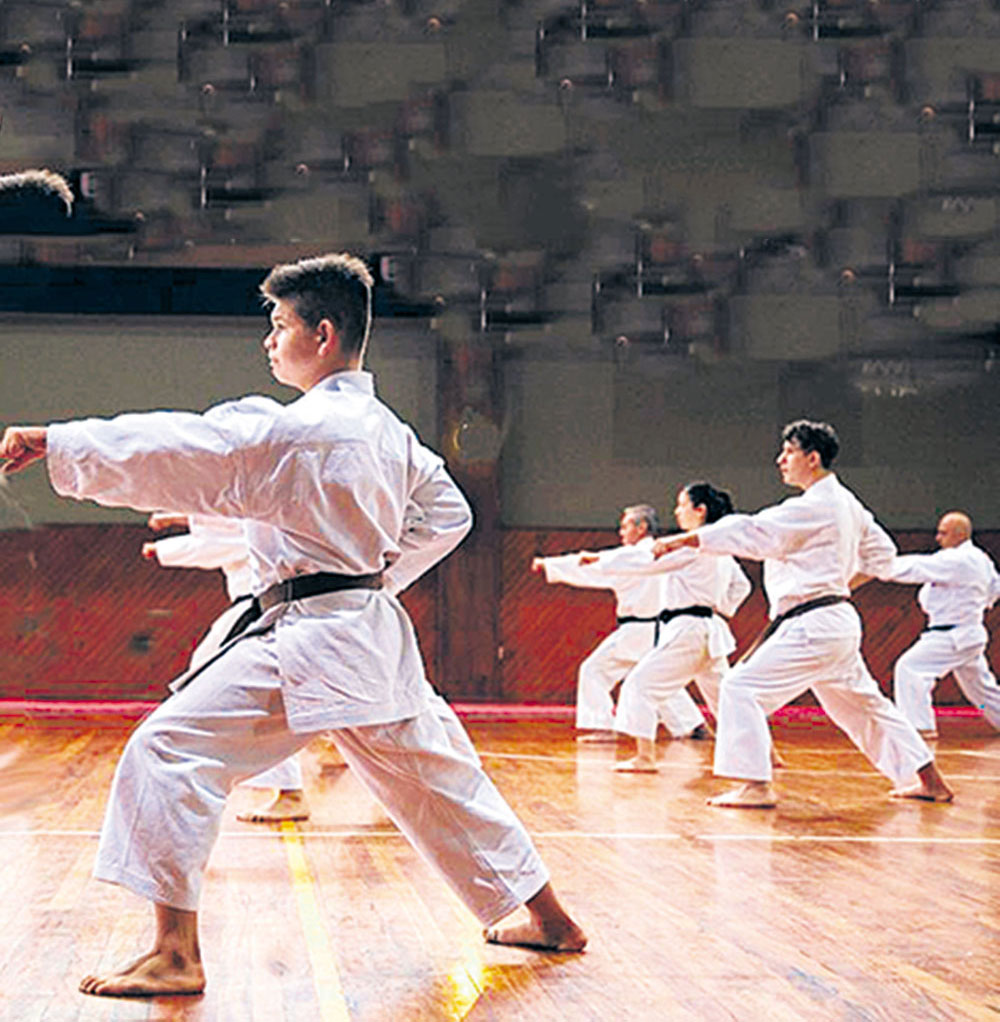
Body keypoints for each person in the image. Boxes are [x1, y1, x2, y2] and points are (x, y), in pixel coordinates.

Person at [0, 252, 585, 998]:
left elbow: (190, 446)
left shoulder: (303, 428)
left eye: (279, 326)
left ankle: (174, 952)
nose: (270, 341)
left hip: (314, 638)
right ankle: (550, 919)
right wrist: (374, 578)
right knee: (440, 779)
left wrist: (62, 442)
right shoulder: (388, 432)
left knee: (167, 751)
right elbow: (450, 515)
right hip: (369, 633)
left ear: (323, 334)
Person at [652, 419, 953, 808]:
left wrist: (686, 539)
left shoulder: (815, 505)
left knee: (740, 687)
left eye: (789, 451)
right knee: (866, 706)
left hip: (813, 624)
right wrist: (837, 586)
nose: (781, 459)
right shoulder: (849, 504)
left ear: (812, 458)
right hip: (834, 620)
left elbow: (753, 531)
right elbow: (883, 557)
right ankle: (930, 781)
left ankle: (755, 785)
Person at [142, 511, 312, 822]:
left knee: (211, 681)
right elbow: (218, 523)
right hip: (263, 605)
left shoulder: (254, 523)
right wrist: (175, 521)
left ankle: (288, 790)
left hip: (258, 606)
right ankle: (289, 783)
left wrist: (164, 548)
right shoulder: (253, 514)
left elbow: (221, 539)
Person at [582, 483, 751, 772]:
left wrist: (601, 559)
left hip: (688, 630)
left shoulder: (690, 546)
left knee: (639, 685)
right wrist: (718, 607)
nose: (677, 511)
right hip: (709, 630)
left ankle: (644, 757)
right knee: (728, 699)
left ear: (700, 510)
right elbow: (742, 585)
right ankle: (769, 754)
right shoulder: (719, 548)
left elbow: (645, 561)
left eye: (682, 505)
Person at [531, 504, 711, 743]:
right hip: (660, 629)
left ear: (641, 527)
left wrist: (549, 564)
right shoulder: (666, 551)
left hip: (637, 630)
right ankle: (693, 725)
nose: (621, 531)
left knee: (594, 670)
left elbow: (591, 568)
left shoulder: (632, 558)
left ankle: (602, 727)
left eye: (625, 526)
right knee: (654, 680)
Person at [884, 511, 1000, 738]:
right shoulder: (981, 560)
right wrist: (977, 604)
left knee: (910, 668)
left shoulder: (959, 559)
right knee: (981, 691)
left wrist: (881, 566)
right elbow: (995, 588)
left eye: (943, 533)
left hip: (952, 635)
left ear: (960, 534)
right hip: (967, 633)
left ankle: (920, 726)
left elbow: (916, 567)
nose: (938, 538)